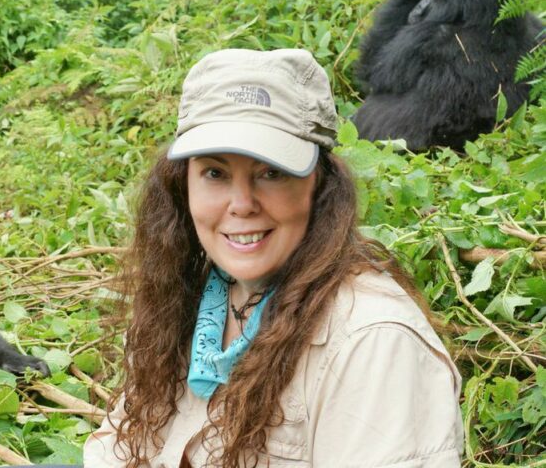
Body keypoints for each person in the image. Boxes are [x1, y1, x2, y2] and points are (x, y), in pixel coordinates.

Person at [83, 49, 463, 467]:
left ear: (319, 184)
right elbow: (115, 449)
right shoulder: (187, 295)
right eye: (215, 173)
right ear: (182, 184)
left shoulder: (373, 341)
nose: (242, 204)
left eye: (272, 172)